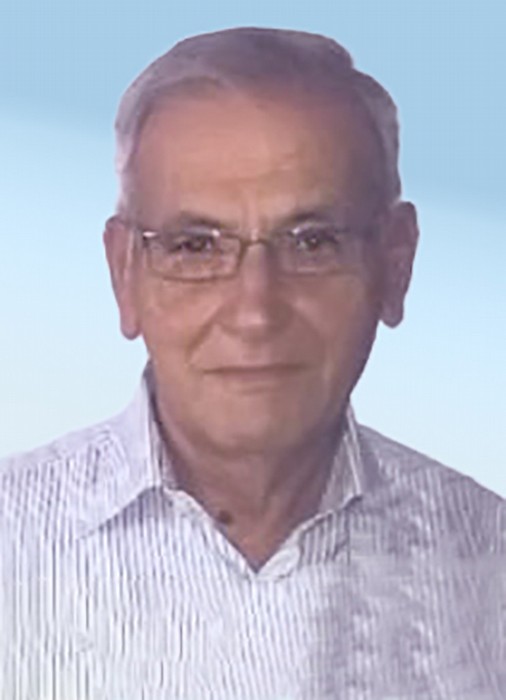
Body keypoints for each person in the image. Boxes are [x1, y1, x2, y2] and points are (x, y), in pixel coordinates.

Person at [1, 27, 504, 700]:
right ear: (125, 273)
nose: (255, 312)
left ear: (395, 263)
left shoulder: (491, 565)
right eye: (195, 246)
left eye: (312, 242)